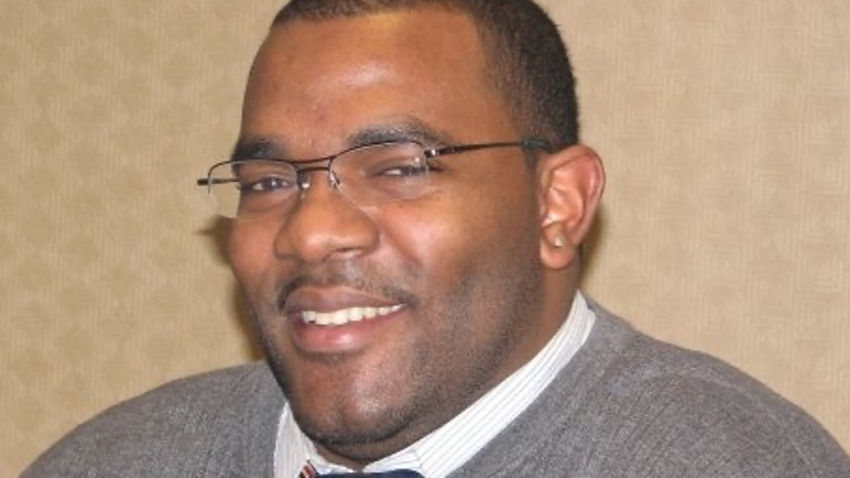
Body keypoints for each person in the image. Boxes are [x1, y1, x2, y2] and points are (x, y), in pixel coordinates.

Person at [23, 1, 850, 477]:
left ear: (557, 204)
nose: (312, 233)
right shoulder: (117, 460)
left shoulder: (729, 464)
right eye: (270, 183)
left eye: (397, 166)